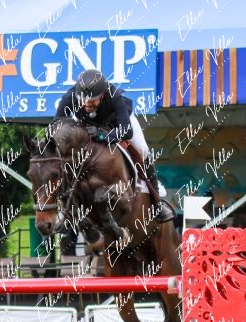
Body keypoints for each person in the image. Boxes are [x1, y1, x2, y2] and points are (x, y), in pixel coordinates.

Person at [54, 69, 173, 224]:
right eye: (83, 100)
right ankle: (64, 207)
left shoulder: (114, 96)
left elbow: (127, 131)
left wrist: (103, 136)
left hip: (117, 124)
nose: (86, 104)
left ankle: (157, 201)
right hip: (87, 125)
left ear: (102, 95)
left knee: (142, 149)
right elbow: (56, 125)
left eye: (92, 100)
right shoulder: (70, 97)